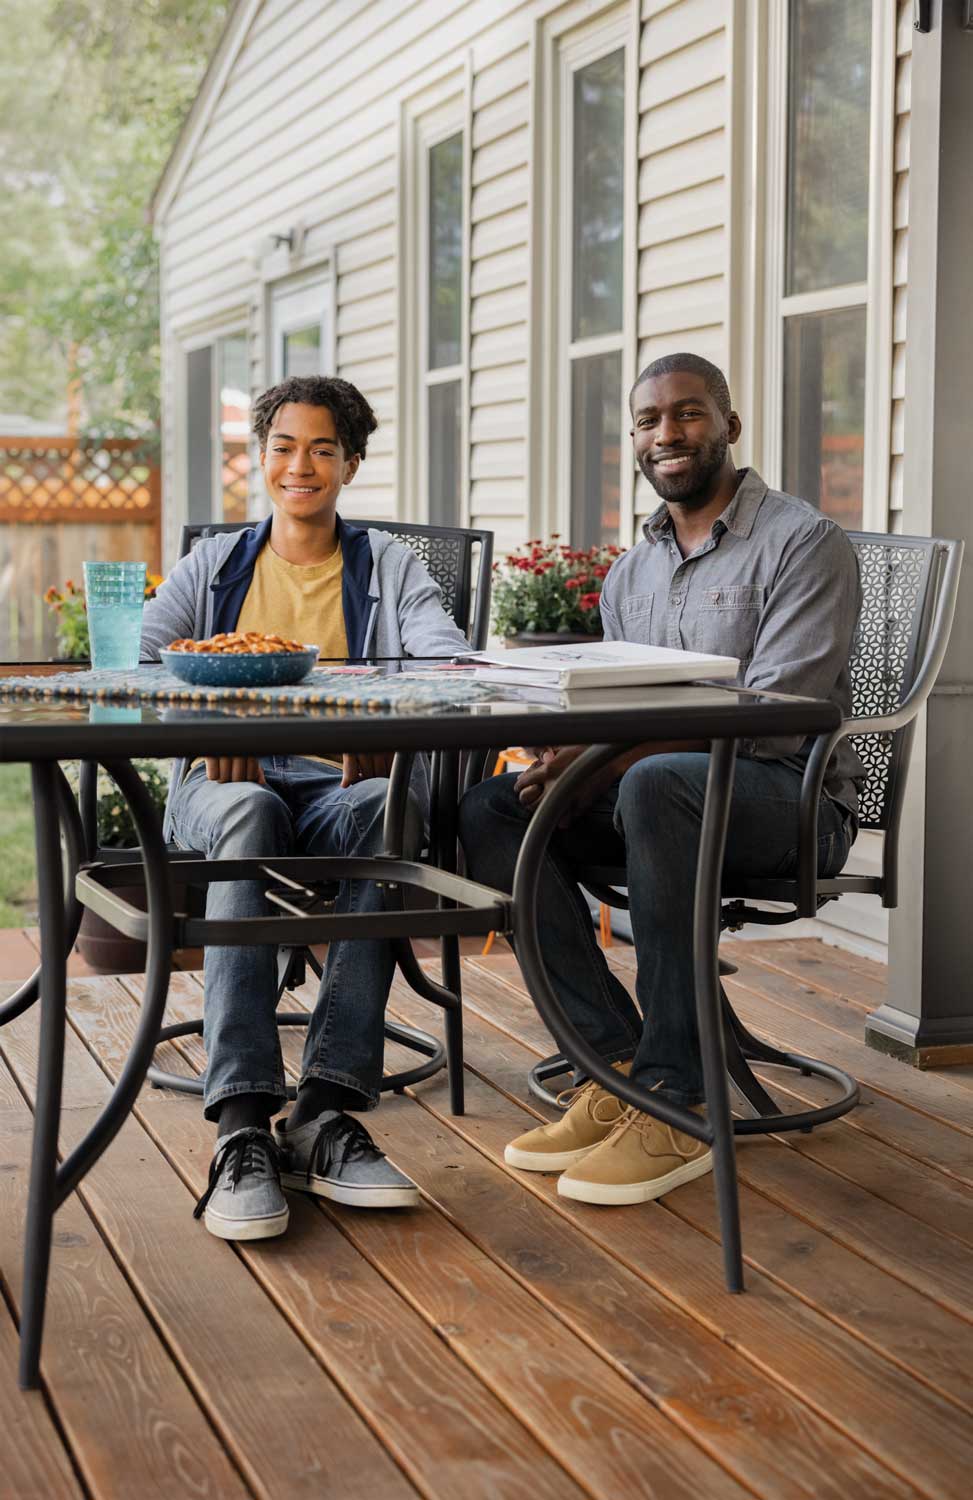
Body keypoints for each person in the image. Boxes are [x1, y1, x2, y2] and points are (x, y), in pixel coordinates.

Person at [459, 352, 863, 1208]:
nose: (666, 434)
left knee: (655, 784)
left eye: (687, 414)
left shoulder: (801, 542)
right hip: (664, 794)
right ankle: (612, 1065)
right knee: (495, 808)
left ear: (728, 426)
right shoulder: (631, 570)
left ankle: (675, 1098)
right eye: (648, 421)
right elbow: (615, 701)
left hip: (787, 803)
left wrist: (611, 756)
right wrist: (561, 758)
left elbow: (777, 715)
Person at [141, 374, 469, 1240]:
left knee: (381, 810)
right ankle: (242, 1122)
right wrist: (210, 710)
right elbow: (141, 661)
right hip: (220, 784)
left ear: (350, 463)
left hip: (336, 783)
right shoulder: (215, 564)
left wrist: (385, 707)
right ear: (261, 459)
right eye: (284, 446)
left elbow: (444, 658)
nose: (301, 464)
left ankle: (323, 1108)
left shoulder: (386, 565)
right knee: (247, 805)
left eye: (323, 447)